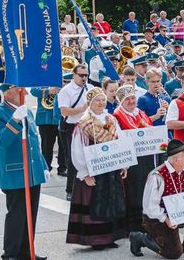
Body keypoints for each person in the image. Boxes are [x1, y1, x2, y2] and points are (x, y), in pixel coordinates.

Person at [0, 84, 49, 260]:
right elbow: (0, 141)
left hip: (32, 170)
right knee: (17, 213)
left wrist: (43, 165)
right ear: (7, 91)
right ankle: (10, 253)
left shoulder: (26, 110)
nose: (23, 91)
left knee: (31, 211)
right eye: (18, 88)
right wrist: (14, 120)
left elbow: (34, 141)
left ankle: (25, 248)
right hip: (14, 171)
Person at [67, 87, 128, 248]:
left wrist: (123, 163)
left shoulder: (111, 119)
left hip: (111, 167)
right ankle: (96, 239)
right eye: (97, 101)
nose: (101, 103)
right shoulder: (84, 123)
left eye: (102, 100)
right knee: (96, 203)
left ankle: (110, 237)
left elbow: (120, 141)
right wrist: (84, 173)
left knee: (111, 201)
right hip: (94, 169)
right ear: (90, 103)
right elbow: (77, 149)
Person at [129, 139, 184, 258]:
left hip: (177, 212)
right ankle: (140, 238)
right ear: (176, 160)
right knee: (174, 253)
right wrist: (166, 219)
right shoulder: (157, 176)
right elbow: (149, 207)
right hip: (156, 218)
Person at [113, 85, 158, 232]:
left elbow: (150, 129)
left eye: (133, 98)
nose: (131, 101)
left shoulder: (140, 113)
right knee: (133, 190)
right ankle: (133, 226)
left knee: (146, 188)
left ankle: (145, 222)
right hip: (130, 158)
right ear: (121, 101)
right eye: (127, 99)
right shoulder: (117, 115)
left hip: (146, 155)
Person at [58, 63, 90, 200]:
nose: (84, 78)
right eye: (81, 75)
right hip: (72, 126)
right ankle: (70, 190)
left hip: (87, 125)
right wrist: (82, 109)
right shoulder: (66, 90)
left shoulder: (90, 88)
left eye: (86, 75)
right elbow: (64, 111)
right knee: (73, 159)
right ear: (74, 75)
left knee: (88, 156)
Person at [32, 84, 62, 176]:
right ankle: (46, 167)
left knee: (63, 145)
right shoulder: (41, 78)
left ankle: (63, 168)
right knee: (46, 146)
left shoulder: (63, 78)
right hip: (45, 118)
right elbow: (33, 91)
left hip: (60, 117)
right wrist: (49, 91)